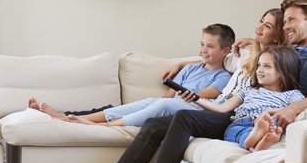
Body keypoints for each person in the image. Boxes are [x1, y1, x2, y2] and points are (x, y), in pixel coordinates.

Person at [60, 0, 307, 163]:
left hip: (246, 115)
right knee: (158, 123)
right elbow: (231, 58)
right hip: (235, 108)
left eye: (291, 21)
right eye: (286, 22)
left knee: (181, 115)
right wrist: (188, 60)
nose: (288, 26)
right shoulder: (286, 50)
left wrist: (291, 109)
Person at [28, 24, 235, 127]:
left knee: (162, 105)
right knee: (151, 102)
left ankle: (105, 127)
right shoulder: (190, 68)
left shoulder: (224, 77)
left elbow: (199, 97)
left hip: (191, 111)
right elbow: (170, 95)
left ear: (226, 51)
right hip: (172, 103)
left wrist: (166, 101)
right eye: (202, 44)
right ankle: (69, 118)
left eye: (210, 46)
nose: (203, 50)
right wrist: (160, 98)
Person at [193, 45, 303, 151]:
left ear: (283, 71)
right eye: (259, 65)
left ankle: (257, 140)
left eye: (267, 66)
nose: (259, 70)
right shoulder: (249, 90)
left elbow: (296, 108)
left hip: (266, 121)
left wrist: (268, 113)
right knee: (231, 132)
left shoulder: (291, 94)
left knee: (272, 123)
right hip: (240, 122)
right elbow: (222, 108)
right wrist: (196, 99)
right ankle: (257, 143)